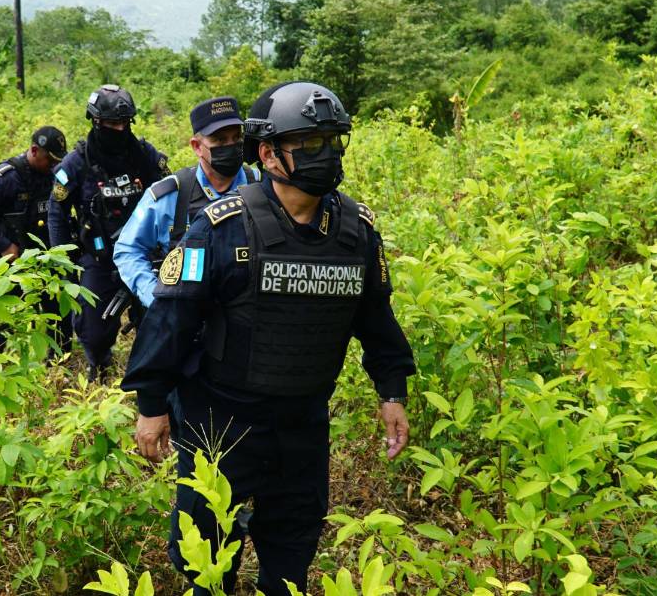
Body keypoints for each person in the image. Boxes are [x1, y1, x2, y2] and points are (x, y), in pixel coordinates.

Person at [121, 81, 416, 596]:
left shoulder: (355, 231)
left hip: (303, 423)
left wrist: (392, 391)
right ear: (268, 154)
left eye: (334, 141)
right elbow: (171, 319)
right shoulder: (221, 228)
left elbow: (376, 319)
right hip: (222, 422)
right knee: (207, 561)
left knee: (291, 555)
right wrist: (151, 405)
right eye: (309, 143)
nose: (326, 154)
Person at [47, 84, 169, 380]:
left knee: (159, 318)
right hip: (99, 255)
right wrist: (63, 262)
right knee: (93, 330)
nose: (119, 129)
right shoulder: (77, 163)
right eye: (112, 123)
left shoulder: (144, 155)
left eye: (124, 123)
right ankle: (99, 362)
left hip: (144, 254)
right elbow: (57, 213)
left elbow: (170, 199)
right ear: (95, 121)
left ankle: (150, 374)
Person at [115, 96, 261, 309]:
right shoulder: (170, 195)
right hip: (188, 313)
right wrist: (156, 299)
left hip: (247, 313)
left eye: (236, 137)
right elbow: (128, 250)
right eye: (220, 140)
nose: (231, 146)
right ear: (197, 146)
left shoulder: (259, 185)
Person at [0, 126, 72, 347]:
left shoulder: (56, 174)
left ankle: (60, 360)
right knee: (2, 317)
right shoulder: (5, 177)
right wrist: (3, 245)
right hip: (12, 259)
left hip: (48, 257)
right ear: (34, 150)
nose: (54, 165)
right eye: (49, 160)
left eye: (57, 161)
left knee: (58, 315)